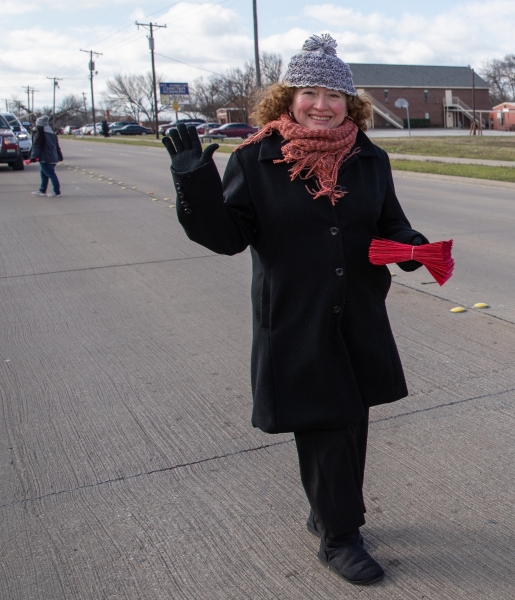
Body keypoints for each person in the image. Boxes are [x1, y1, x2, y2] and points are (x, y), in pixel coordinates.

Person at [163, 33, 428, 586]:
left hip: (357, 311)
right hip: (295, 314)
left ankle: (328, 512)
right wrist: (193, 181)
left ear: (349, 103)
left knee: (353, 418)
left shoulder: (368, 158)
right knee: (324, 421)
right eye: (309, 92)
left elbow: (389, 220)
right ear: (288, 98)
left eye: (334, 95)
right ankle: (339, 538)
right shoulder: (257, 158)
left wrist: (410, 245)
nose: (322, 105)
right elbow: (227, 236)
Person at [30, 115, 63, 197]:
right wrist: (59, 155)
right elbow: (56, 146)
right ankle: (42, 190)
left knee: (51, 174)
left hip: (45, 157)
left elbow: (36, 145)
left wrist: (33, 156)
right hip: (53, 157)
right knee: (43, 173)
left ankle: (56, 192)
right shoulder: (51, 133)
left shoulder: (39, 133)